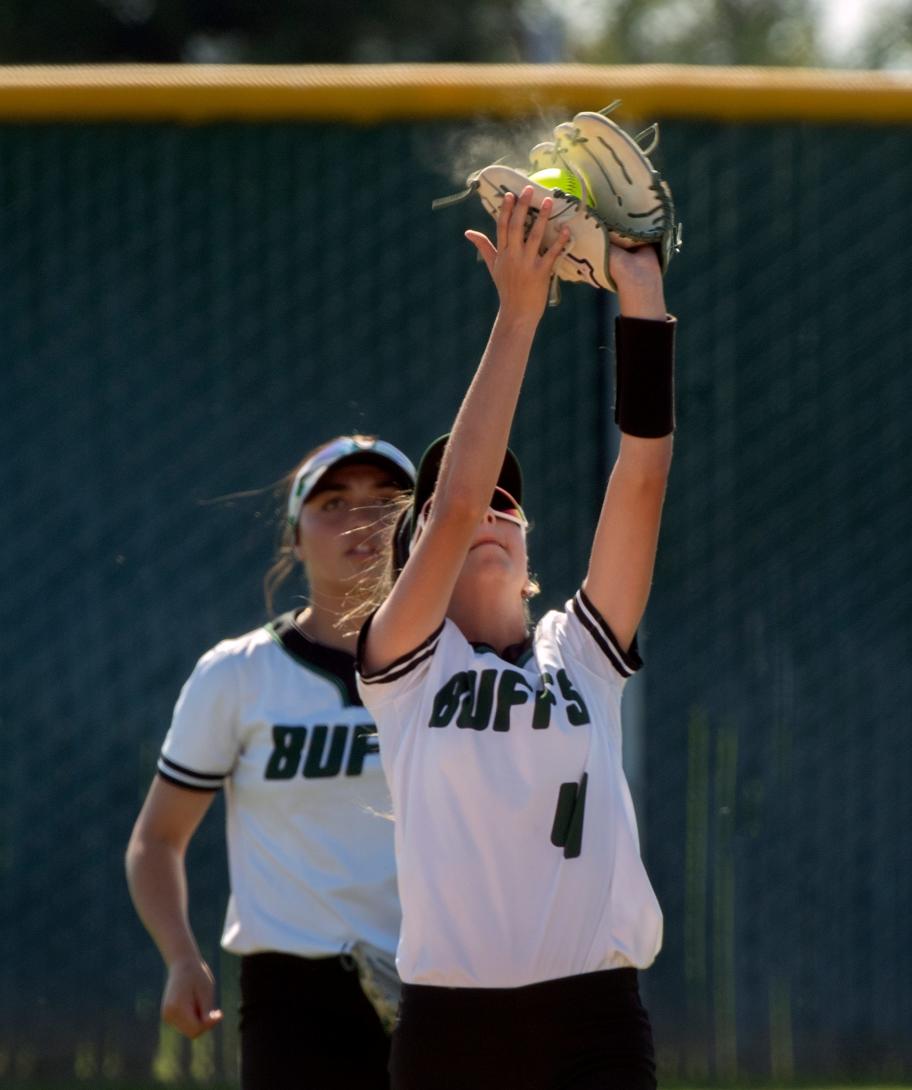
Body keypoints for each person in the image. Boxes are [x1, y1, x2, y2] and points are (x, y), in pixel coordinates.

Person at [356, 188, 675, 1090]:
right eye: (456, 514)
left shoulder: (582, 654)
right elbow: (455, 501)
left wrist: (641, 293)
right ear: (416, 553)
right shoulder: (405, 672)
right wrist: (520, 314)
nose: (486, 511)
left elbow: (643, 475)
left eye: (510, 502)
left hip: (596, 1023)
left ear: (532, 555)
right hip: (456, 1037)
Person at [125, 435, 415, 1090]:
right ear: (294, 538)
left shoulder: (456, 667)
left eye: (387, 502)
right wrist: (180, 957)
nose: (362, 522)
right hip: (294, 996)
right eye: (334, 503)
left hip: (441, 980)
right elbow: (157, 840)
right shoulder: (239, 674)